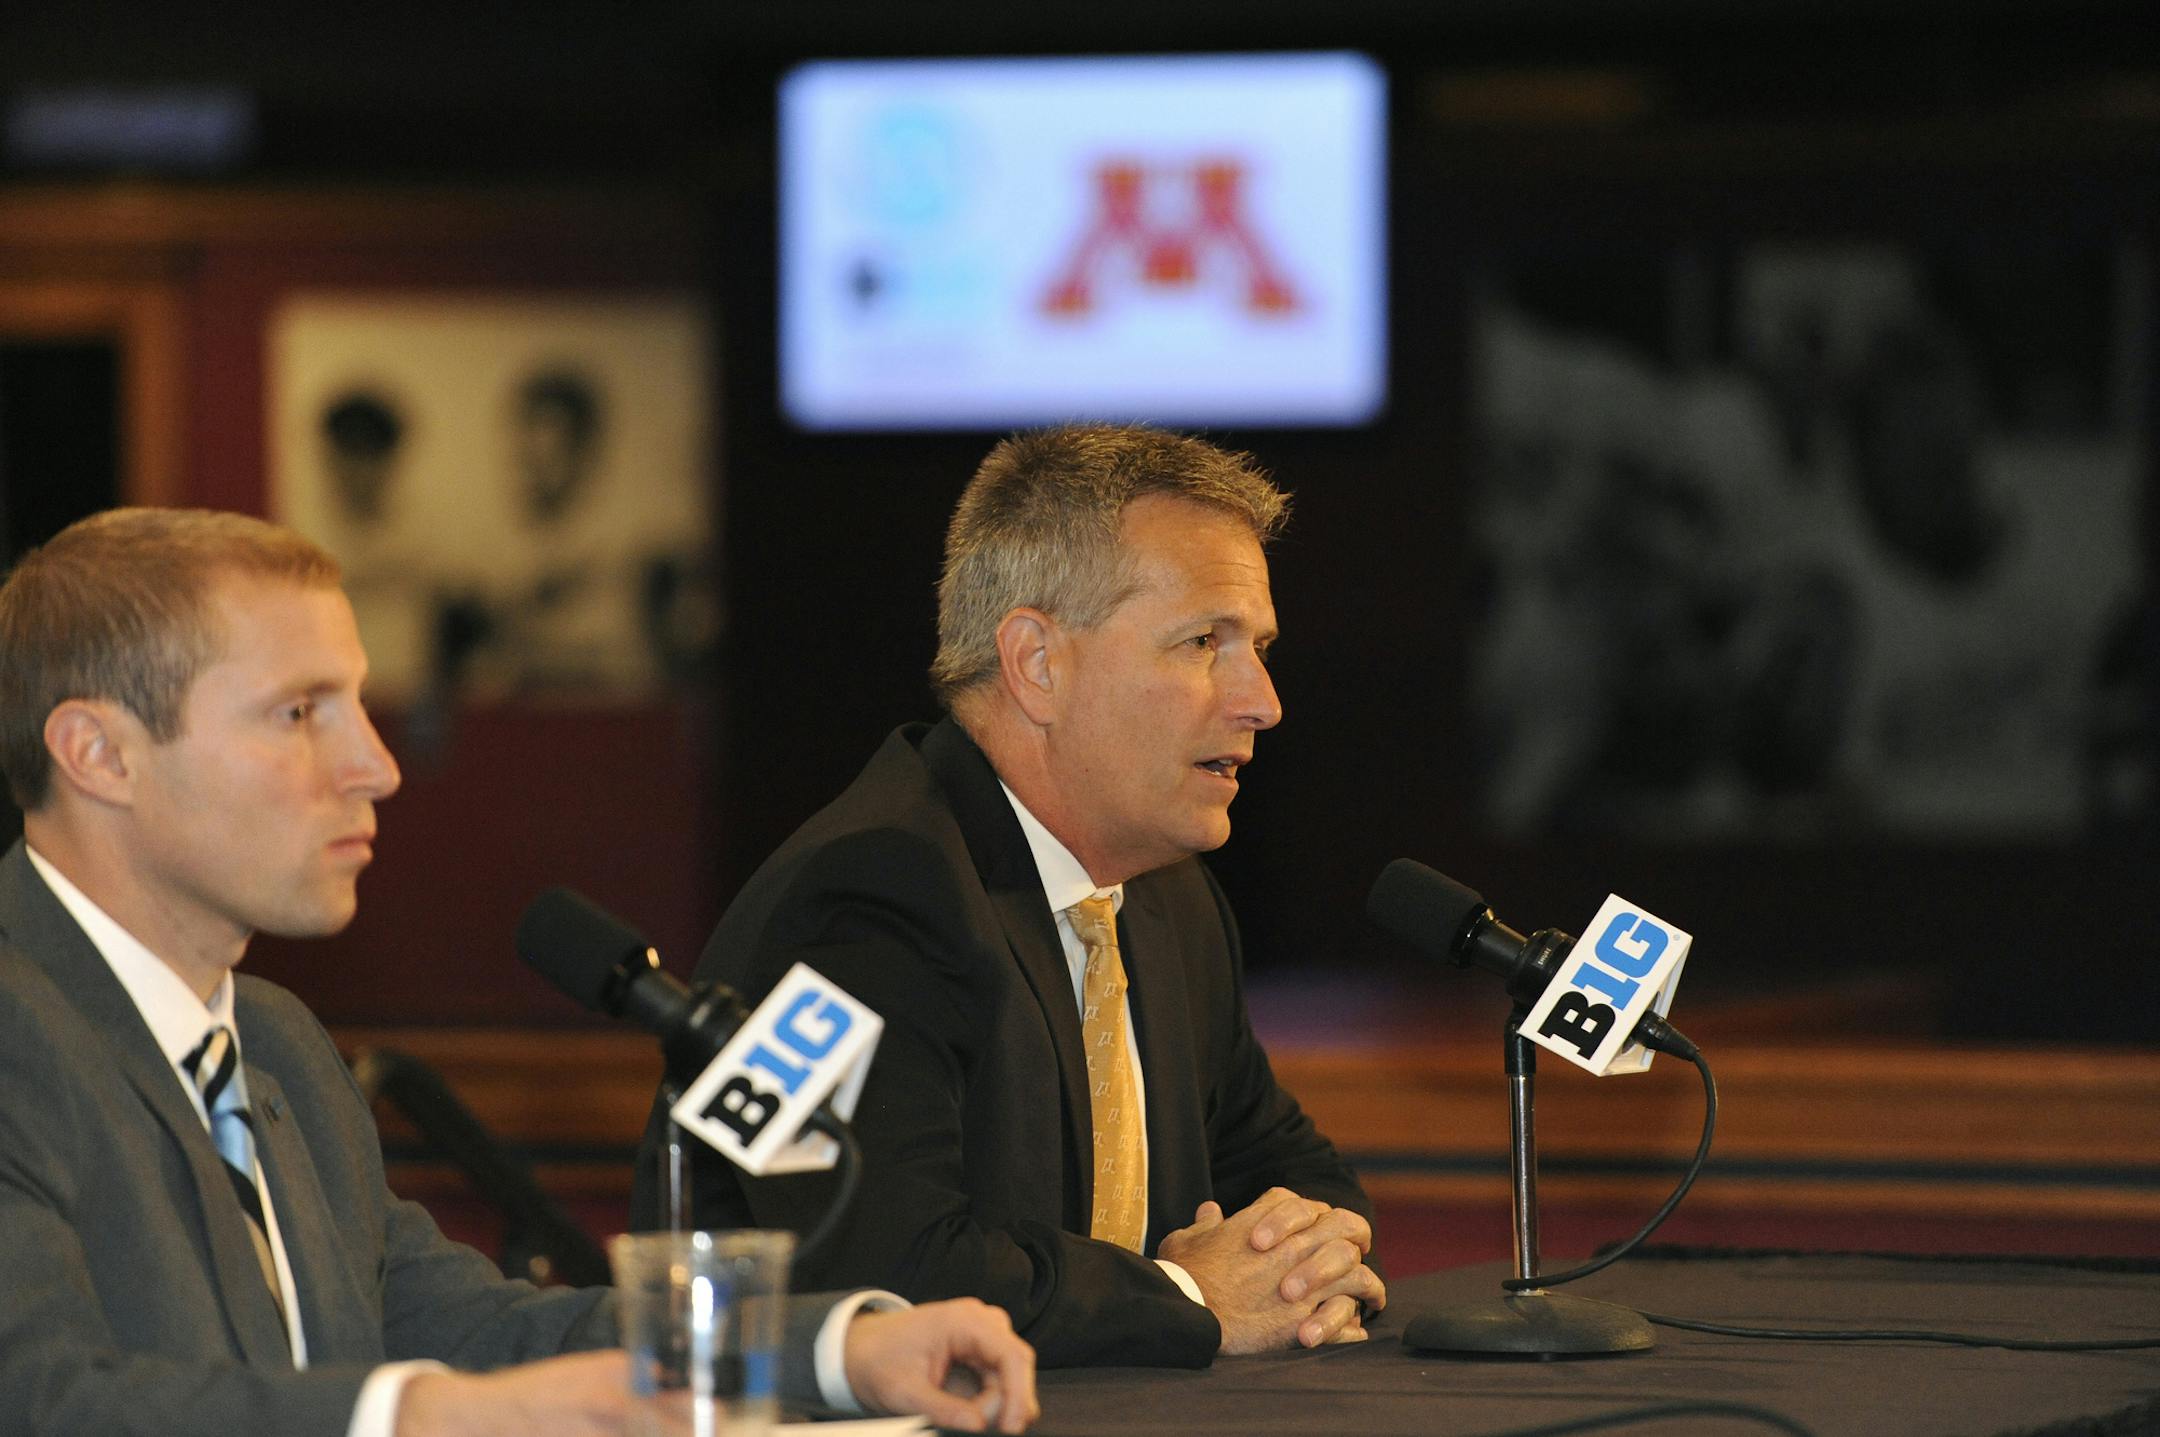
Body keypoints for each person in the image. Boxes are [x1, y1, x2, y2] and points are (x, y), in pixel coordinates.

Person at [0, 508, 1038, 1437]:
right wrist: (431, 1414)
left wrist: (836, 1350)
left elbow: (467, 1323)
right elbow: (42, 1397)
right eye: (301, 712)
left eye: (357, 704)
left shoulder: (273, 1042)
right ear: (100, 754)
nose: (377, 764)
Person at [632, 423, 1384, 1368]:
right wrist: (1191, 1295)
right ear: (1036, 663)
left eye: (1259, 646)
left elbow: (1299, 1177)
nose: (1262, 699)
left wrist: (1313, 1255)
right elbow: (888, 1277)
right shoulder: (863, 902)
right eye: (1203, 641)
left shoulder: (1168, 904)